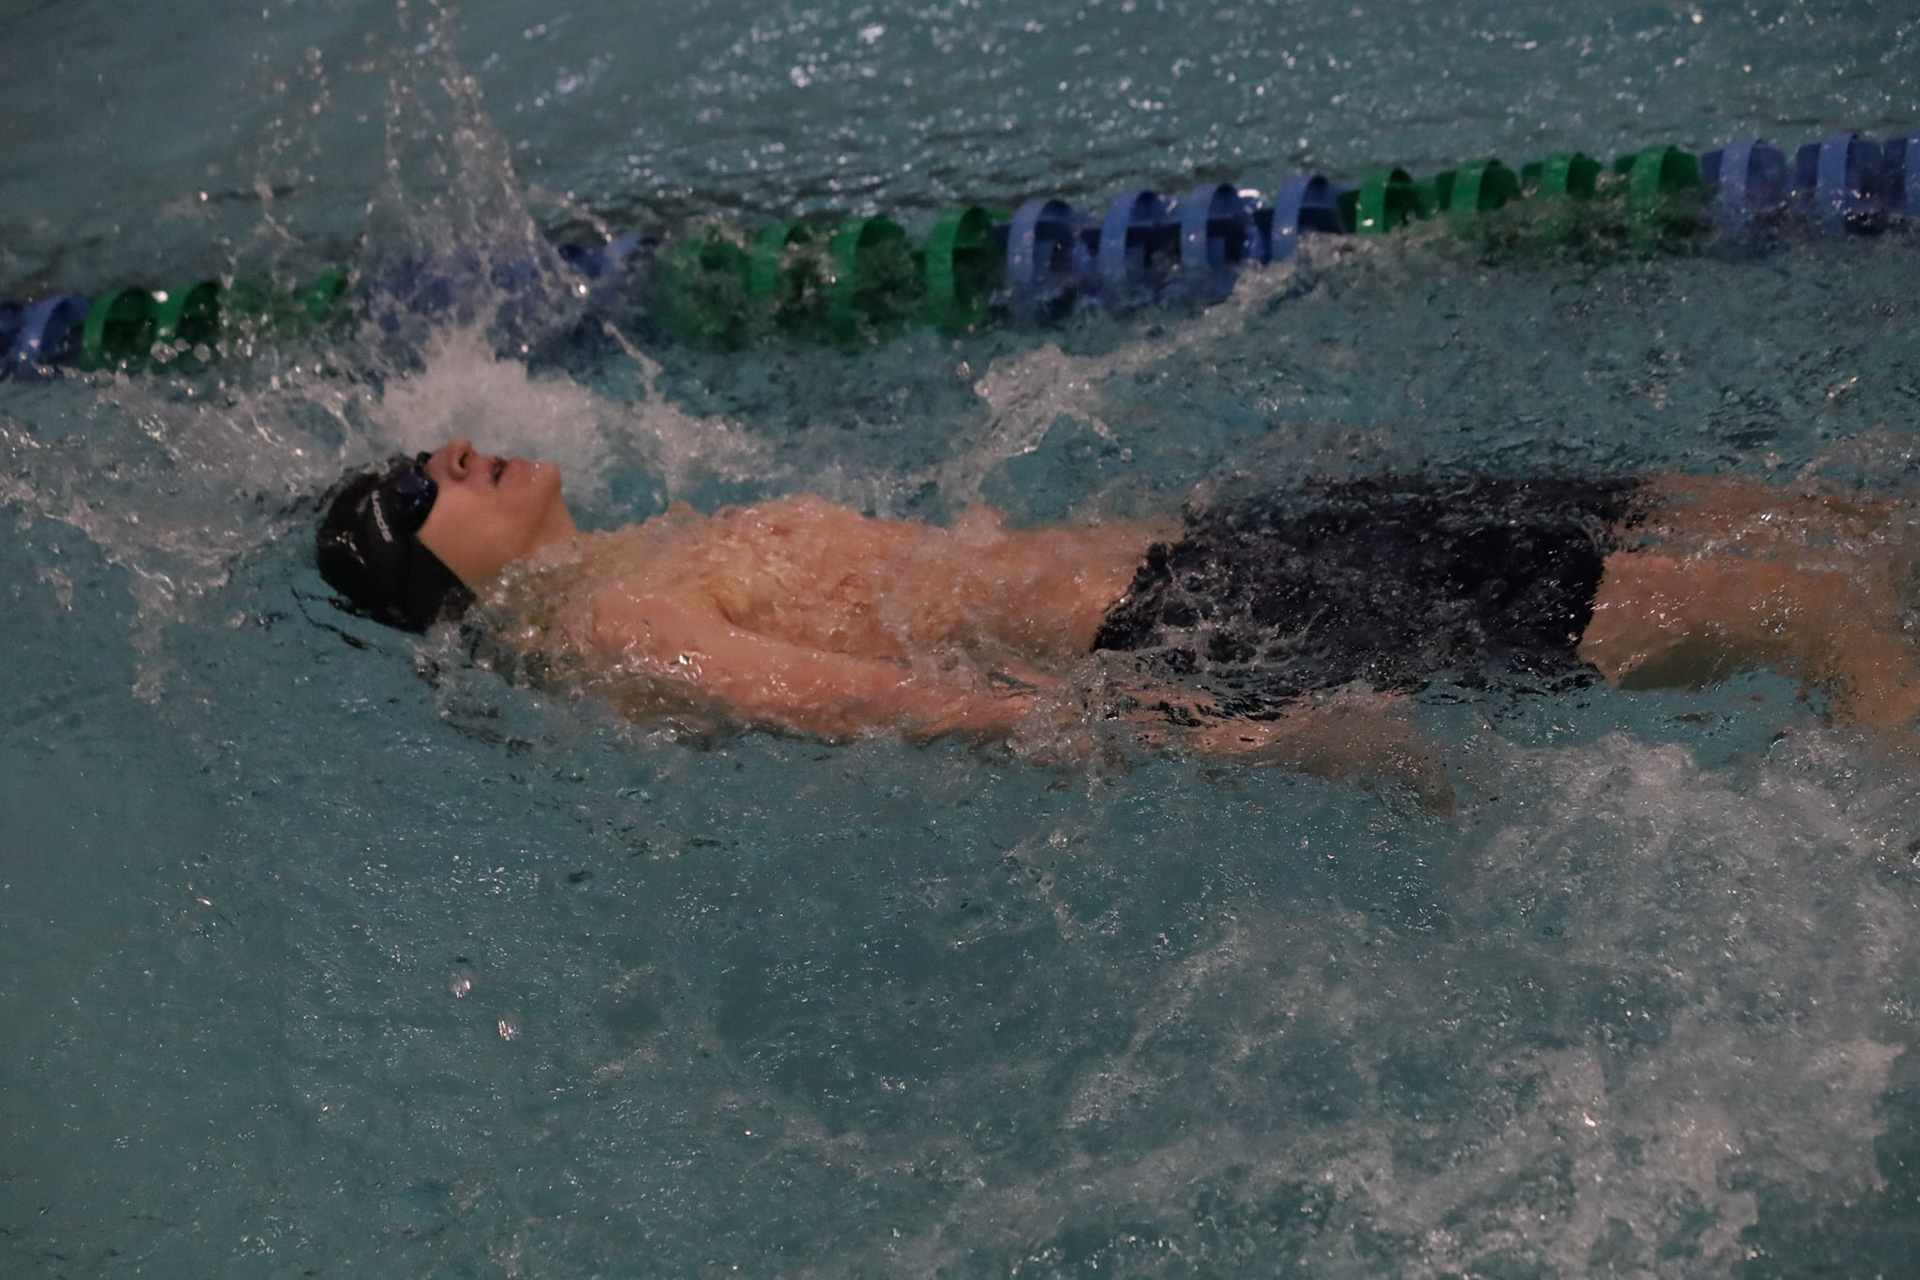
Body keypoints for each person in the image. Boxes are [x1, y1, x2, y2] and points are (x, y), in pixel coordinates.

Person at [316, 437, 1920, 799]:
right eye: (411, 490)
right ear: (438, 578)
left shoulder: (635, 551)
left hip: (1215, 549)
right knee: (1795, 609)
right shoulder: (613, 626)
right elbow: (864, 703)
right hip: (1198, 612)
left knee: (1754, 518)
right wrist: (1218, 740)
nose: (443, 455)